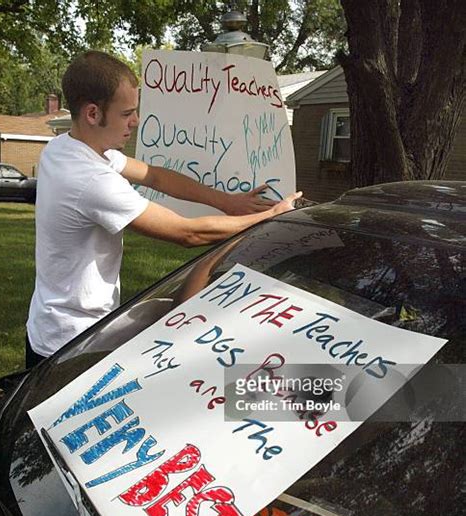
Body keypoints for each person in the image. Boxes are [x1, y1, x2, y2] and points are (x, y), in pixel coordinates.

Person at [26, 50, 301, 369]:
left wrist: (229, 202)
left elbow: (156, 175)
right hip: (69, 348)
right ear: (92, 114)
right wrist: (271, 216)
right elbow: (188, 233)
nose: (136, 121)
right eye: (127, 113)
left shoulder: (67, 148)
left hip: (50, 327)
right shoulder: (90, 179)